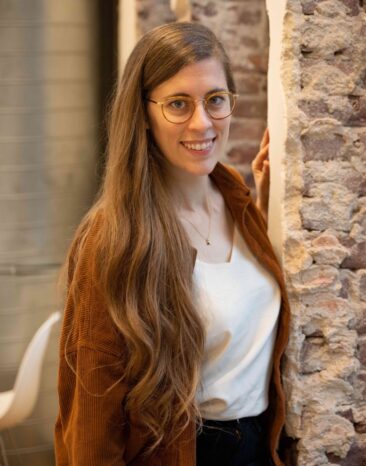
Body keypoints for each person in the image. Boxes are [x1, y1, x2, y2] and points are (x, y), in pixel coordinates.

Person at [54, 22, 291, 466]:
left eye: (215, 100)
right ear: (143, 113)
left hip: (261, 449)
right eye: (178, 104)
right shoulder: (113, 238)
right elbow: (92, 424)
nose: (202, 122)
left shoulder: (239, 204)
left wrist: (267, 206)